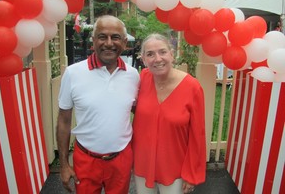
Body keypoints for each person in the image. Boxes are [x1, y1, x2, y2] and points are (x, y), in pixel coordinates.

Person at [57, 15, 140, 193]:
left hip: (121, 159)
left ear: (124, 43)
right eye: (102, 37)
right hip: (85, 159)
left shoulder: (134, 76)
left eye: (115, 37)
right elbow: (64, 120)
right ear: (93, 41)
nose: (109, 43)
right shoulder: (73, 73)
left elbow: (140, 115)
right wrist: (63, 165)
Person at [132, 33, 206, 194]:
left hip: (175, 167)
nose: (157, 59)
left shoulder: (192, 87)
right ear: (143, 59)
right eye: (150, 54)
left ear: (172, 54)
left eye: (162, 52)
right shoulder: (142, 79)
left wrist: (191, 173)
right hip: (143, 163)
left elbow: (197, 135)